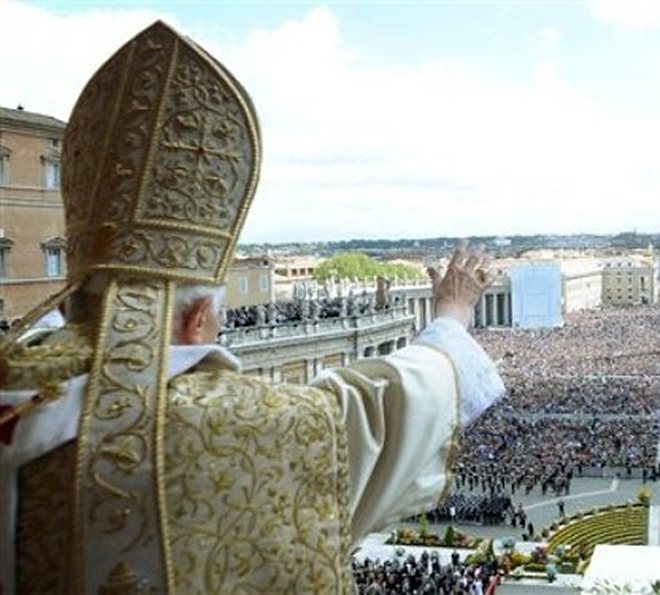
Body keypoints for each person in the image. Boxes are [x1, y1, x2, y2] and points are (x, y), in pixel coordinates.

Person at [0, 21, 504, 593]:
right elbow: (389, 408)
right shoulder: (234, 431)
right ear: (196, 321)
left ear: (71, 308)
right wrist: (454, 314)